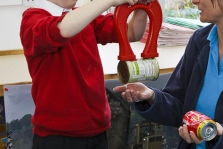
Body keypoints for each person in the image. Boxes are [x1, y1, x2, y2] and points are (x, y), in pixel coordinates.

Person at [113, 0, 223, 148]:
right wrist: (152, 97)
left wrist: (216, 135)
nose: (194, 1)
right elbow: (180, 108)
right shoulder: (200, 42)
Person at [19, 0, 153, 148]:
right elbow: (62, 29)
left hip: (97, 132)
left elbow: (132, 32)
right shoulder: (32, 19)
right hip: (58, 137)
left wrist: (141, 7)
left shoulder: (84, 19)